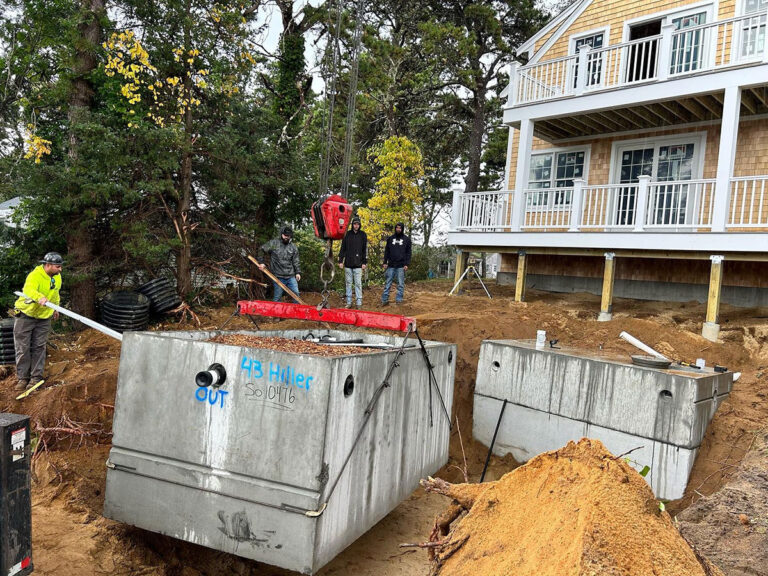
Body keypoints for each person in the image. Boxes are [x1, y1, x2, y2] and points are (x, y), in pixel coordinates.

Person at [13, 252, 63, 391]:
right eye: (58, 267)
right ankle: (23, 378)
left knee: (39, 347)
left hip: (43, 317)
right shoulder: (35, 275)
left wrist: (56, 308)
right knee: (22, 347)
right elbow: (28, 289)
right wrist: (39, 297)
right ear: (48, 265)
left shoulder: (57, 277)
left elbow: (55, 293)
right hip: (26, 314)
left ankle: (36, 378)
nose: (60, 270)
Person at [258, 226, 301, 303]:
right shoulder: (274, 243)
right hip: (278, 276)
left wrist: (297, 273)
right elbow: (261, 249)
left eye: (288, 236)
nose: (286, 237)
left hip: (290, 276)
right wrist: (261, 263)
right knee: (278, 297)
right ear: (281, 234)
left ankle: (296, 313)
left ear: (291, 236)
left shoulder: (293, 247)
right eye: (285, 235)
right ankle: (274, 314)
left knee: (296, 294)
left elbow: (296, 261)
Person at [338, 216, 368, 309]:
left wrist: (364, 262)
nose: (356, 226)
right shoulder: (347, 234)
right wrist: (340, 261)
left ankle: (359, 302)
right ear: (352, 225)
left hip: (358, 264)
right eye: (355, 224)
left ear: (360, 225)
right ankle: (349, 302)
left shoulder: (363, 235)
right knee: (348, 283)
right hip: (348, 263)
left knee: (358, 283)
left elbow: (365, 249)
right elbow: (343, 248)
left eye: (358, 224)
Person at [381, 222, 411, 306]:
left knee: (400, 284)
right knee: (388, 283)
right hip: (391, 265)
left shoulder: (406, 240)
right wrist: (385, 262)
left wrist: (407, 264)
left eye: (400, 228)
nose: (398, 229)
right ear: (395, 228)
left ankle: (399, 300)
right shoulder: (390, 238)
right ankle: (384, 300)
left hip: (401, 265)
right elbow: (387, 251)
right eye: (397, 228)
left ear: (402, 229)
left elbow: (408, 253)